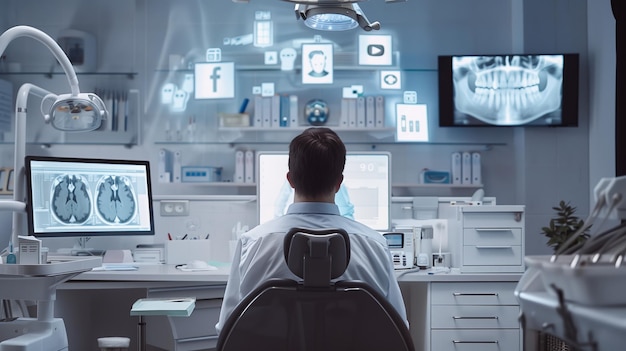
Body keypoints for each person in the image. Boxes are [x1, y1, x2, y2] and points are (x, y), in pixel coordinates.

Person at [216, 127, 408, 334]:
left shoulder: (252, 243)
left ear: (290, 180)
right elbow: (398, 328)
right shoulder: (375, 245)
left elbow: (228, 328)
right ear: (339, 183)